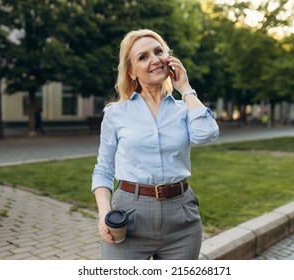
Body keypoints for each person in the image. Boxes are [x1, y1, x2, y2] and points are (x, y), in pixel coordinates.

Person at [91, 29, 219, 260]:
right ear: (131, 72)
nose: (154, 59)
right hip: (129, 215)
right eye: (143, 57)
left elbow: (206, 134)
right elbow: (103, 169)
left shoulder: (185, 108)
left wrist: (186, 89)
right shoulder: (116, 114)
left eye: (158, 51)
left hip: (181, 217)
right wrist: (104, 213)